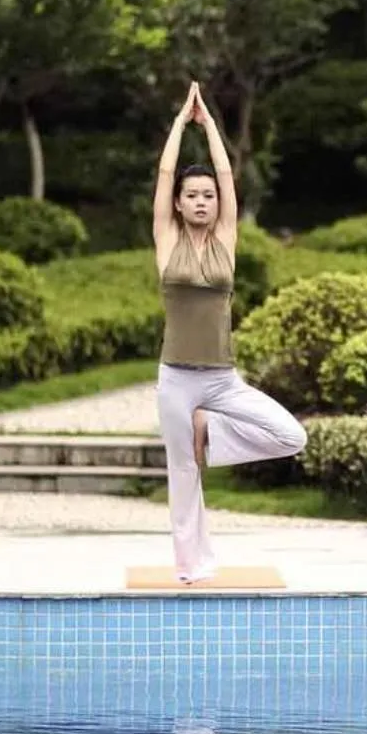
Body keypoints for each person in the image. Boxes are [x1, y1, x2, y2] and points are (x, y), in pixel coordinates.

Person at [153, 82, 306, 583]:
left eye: (208, 196)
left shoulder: (225, 239)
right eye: (192, 195)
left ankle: (211, 433)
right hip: (176, 377)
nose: (201, 201)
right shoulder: (167, 241)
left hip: (221, 379)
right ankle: (190, 565)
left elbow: (225, 173)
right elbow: (164, 173)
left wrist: (212, 127)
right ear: (177, 204)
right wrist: (180, 125)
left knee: (291, 435)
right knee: (183, 474)